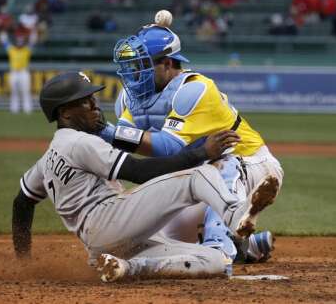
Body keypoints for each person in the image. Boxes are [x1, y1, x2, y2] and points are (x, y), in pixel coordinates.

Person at [12, 71, 277, 282]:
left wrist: (23, 262)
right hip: (110, 219)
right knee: (200, 174)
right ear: (65, 113)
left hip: (103, 245)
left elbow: (22, 202)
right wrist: (200, 153)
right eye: (85, 101)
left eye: (93, 98)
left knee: (218, 263)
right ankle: (237, 215)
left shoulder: (48, 157)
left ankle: (127, 268)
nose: (95, 105)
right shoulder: (79, 142)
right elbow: (139, 172)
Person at [99, 21, 283, 263]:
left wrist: (103, 130)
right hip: (198, 178)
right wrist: (102, 133)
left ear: (167, 64)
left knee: (222, 166)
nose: (134, 73)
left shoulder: (194, 89)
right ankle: (247, 247)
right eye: (133, 65)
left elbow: (166, 146)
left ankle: (221, 250)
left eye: (142, 65)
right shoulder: (132, 96)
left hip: (251, 164)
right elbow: (124, 138)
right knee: (157, 241)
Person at [0, 31, 37, 114]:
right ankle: (14, 109)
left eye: (21, 42)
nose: (19, 43)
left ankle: (27, 109)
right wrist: (3, 34)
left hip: (23, 72)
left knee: (26, 91)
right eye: (18, 42)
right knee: (14, 92)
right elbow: (4, 42)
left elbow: (32, 42)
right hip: (14, 72)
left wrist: (33, 33)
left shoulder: (26, 50)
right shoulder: (11, 49)